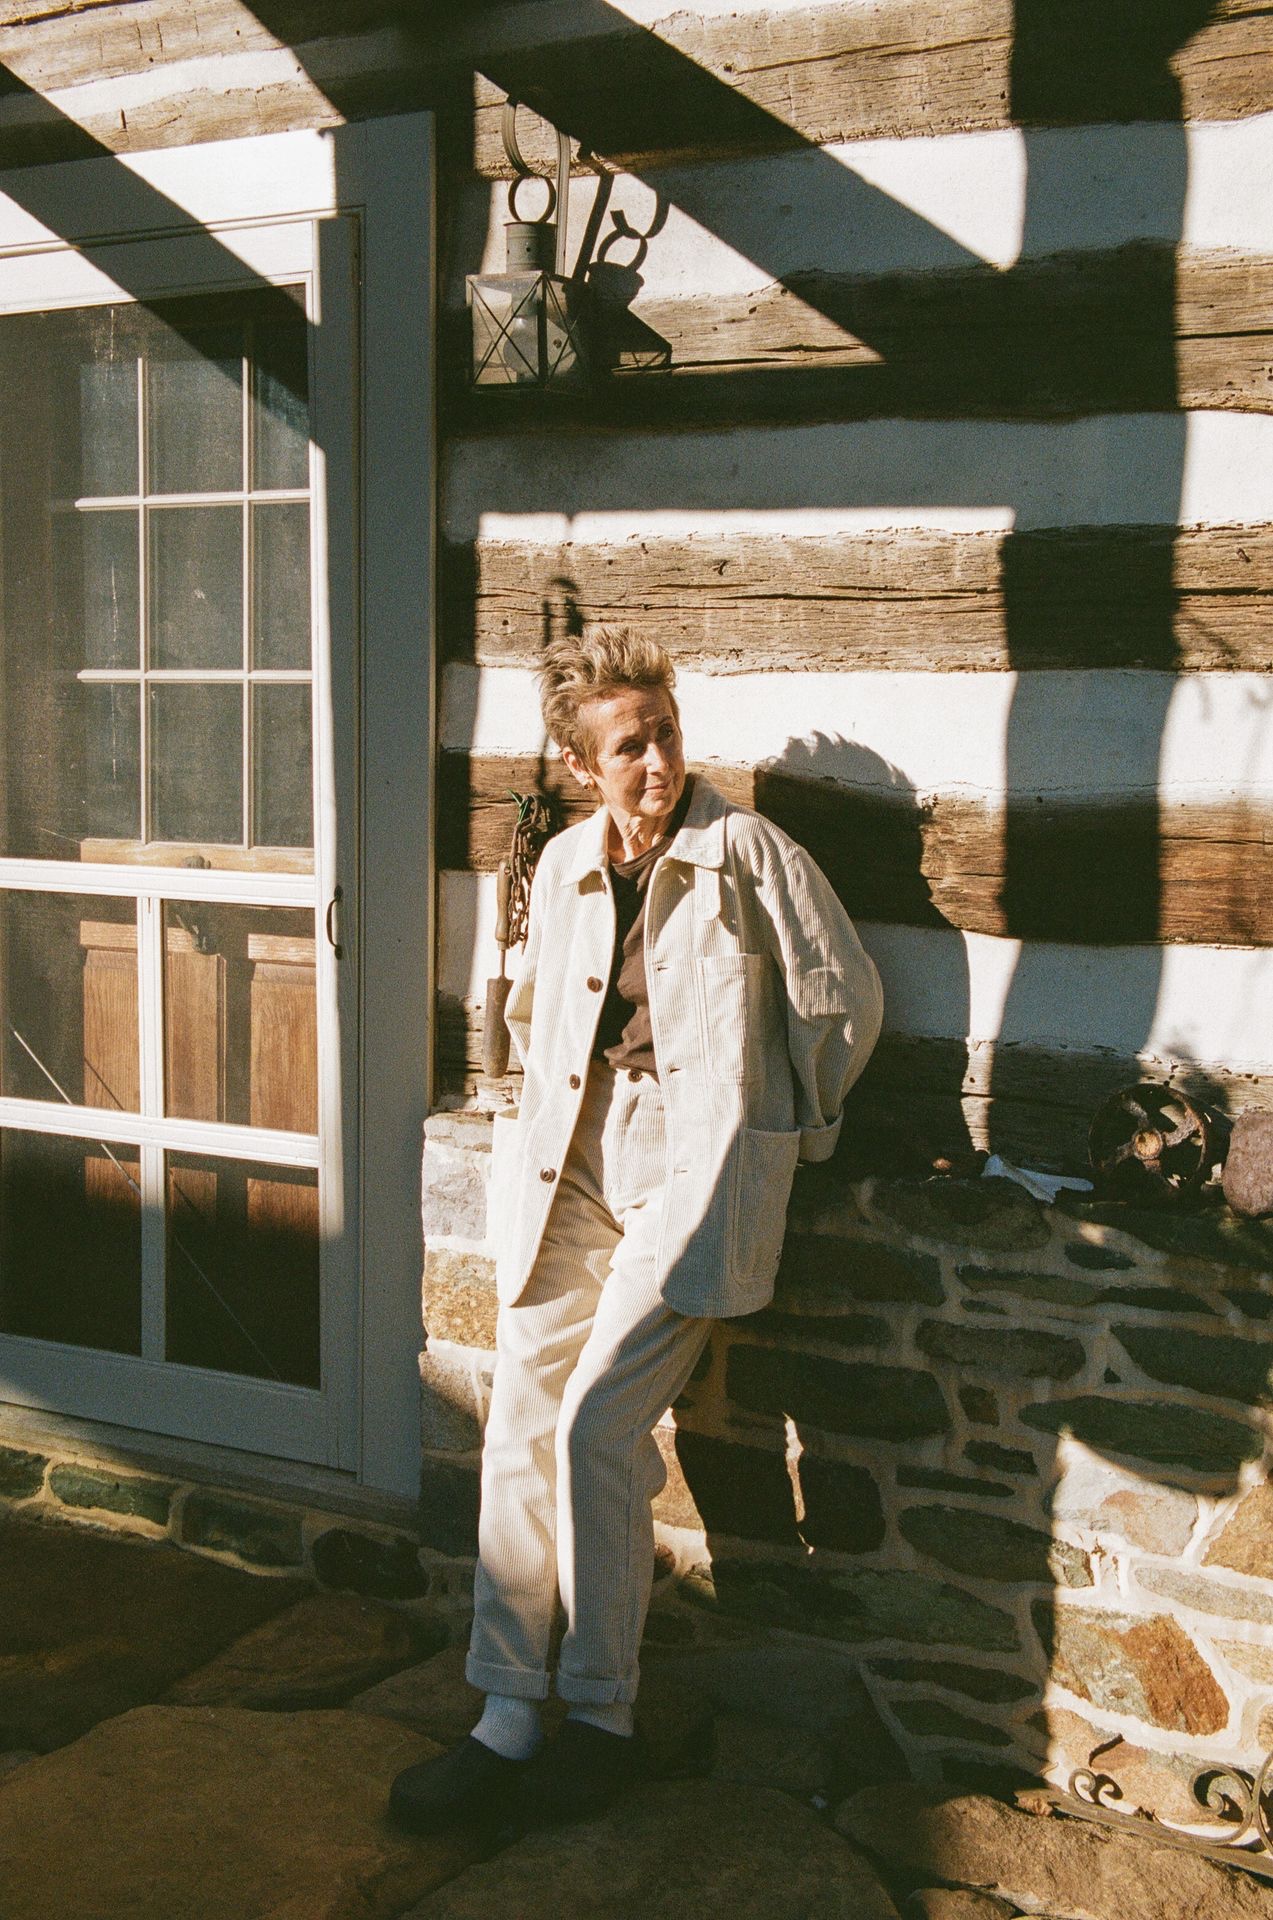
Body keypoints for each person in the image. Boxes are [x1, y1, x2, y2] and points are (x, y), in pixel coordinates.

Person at [390, 627, 883, 1831]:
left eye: (665, 732)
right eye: (628, 746)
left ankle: (602, 1718)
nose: (657, 761)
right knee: (522, 1418)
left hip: (693, 1161)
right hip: (571, 1151)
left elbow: (839, 1002)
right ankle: (507, 1713)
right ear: (578, 764)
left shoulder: (744, 852)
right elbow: (526, 1009)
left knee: (597, 1424)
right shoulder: (564, 864)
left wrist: (792, 1139)